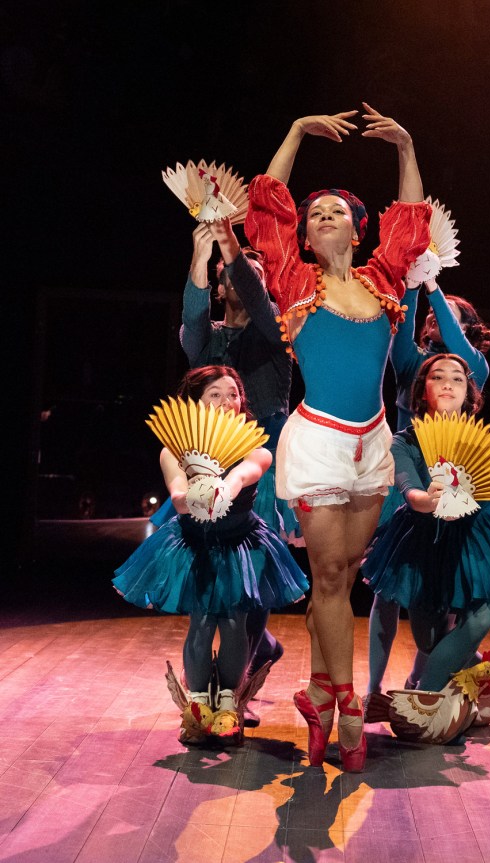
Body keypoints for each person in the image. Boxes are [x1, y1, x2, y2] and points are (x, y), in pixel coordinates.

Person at [244, 103, 432, 772]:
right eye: (314, 212)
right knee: (326, 572)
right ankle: (348, 706)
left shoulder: (384, 283)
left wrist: (406, 147)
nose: (321, 218)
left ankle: (319, 692)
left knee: (346, 576)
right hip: (320, 440)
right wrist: (293, 131)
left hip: (372, 443)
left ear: (357, 228)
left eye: (334, 212)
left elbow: (411, 228)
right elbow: (265, 210)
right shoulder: (295, 281)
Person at [112, 365, 309, 746]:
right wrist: (195, 495)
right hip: (197, 544)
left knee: (235, 622)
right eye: (214, 395)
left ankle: (227, 705)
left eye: (232, 394)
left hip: (239, 543)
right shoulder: (174, 451)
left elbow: (245, 474)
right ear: (196, 404)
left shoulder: (256, 448)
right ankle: (198, 707)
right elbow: (178, 499)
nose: (225, 402)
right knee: (202, 622)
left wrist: (224, 486)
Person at [152, 216, 300, 720]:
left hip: (263, 458)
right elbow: (192, 321)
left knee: (254, 581)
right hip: (206, 460)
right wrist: (200, 254)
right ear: (217, 285)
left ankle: (236, 695)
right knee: (215, 581)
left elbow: (258, 301)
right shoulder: (206, 341)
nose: (236, 279)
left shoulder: (274, 330)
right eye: (227, 273)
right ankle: (221, 689)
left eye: (248, 273)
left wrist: (231, 245)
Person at [361, 353, 490, 699]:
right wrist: (429, 500)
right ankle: (481, 671)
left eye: (458, 378)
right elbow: (410, 491)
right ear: (423, 391)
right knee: (428, 640)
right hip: (426, 536)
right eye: (438, 377)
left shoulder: (480, 439)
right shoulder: (404, 441)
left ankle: (424, 699)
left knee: (479, 620)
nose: (448, 383)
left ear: (469, 393)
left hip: (481, 534)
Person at [368, 278, 490, 700]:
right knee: (391, 588)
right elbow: (400, 330)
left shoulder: (470, 366)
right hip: (409, 475)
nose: (433, 320)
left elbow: (456, 341)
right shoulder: (413, 367)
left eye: (444, 318)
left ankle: (428, 680)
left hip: (463, 484)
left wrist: (434, 287)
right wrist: (409, 285)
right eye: (429, 317)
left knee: (453, 594)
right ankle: (375, 688)